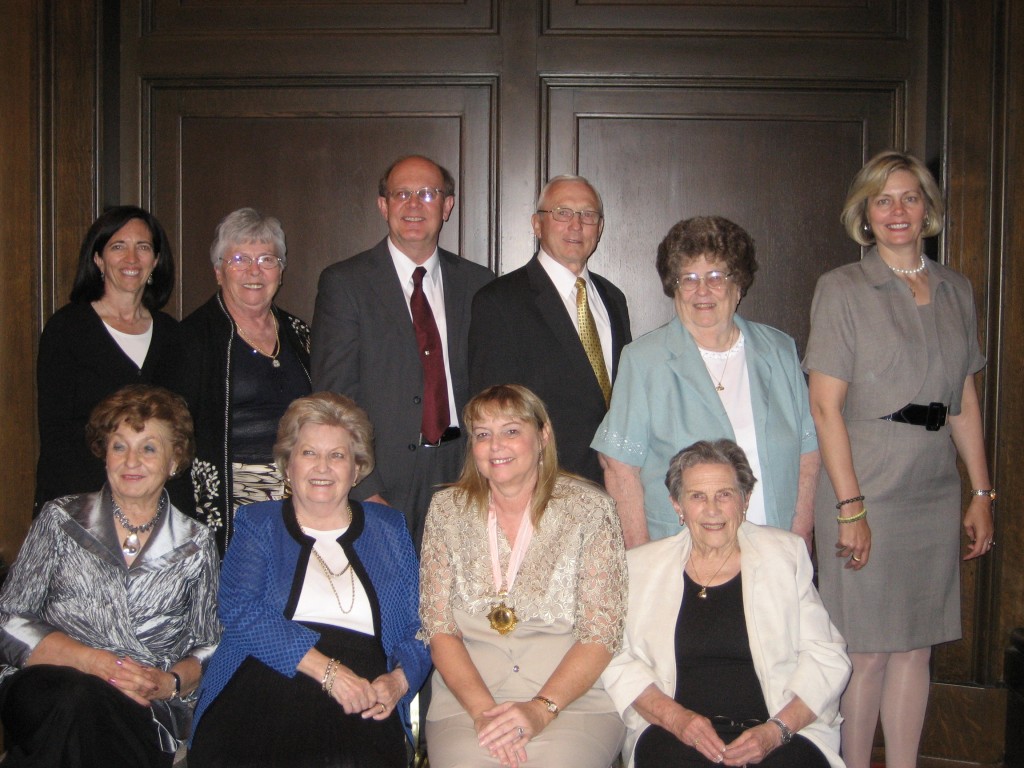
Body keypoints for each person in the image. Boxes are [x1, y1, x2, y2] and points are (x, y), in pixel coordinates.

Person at [804, 150, 995, 768]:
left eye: (910, 197)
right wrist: (850, 505)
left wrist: (981, 493)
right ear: (864, 213)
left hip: (932, 488)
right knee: (867, 652)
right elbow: (826, 408)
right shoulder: (841, 289)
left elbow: (963, 397)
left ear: (928, 209)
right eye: (882, 200)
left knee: (917, 649)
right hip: (867, 484)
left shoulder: (955, 288)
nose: (897, 211)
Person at [189, 392, 431, 768]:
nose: (322, 467)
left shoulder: (389, 528)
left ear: (356, 470)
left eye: (337, 455)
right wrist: (329, 672)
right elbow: (240, 610)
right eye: (308, 453)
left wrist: (398, 682)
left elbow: (421, 626)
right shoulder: (258, 522)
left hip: (364, 692)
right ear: (287, 466)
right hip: (265, 675)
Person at [0, 384, 220, 767]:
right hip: (48, 685)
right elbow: (8, 619)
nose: (131, 460)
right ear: (105, 455)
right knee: (78, 697)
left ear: (174, 461)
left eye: (149, 448)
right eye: (120, 446)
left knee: (91, 717)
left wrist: (169, 683)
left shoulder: (197, 543)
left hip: (142, 703)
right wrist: (93, 662)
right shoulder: (60, 520)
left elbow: (210, 644)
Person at [602, 439, 850, 768]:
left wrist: (776, 731)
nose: (713, 509)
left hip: (775, 731)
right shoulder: (641, 567)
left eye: (725, 494)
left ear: (745, 500)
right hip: (677, 734)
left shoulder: (784, 556)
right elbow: (615, 659)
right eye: (697, 496)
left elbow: (828, 657)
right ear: (677, 505)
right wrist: (677, 720)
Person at [419, 384, 628, 768]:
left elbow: (601, 633)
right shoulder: (446, 510)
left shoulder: (591, 509)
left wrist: (540, 710)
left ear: (543, 436)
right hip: (467, 706)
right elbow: (439, 629)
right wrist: (485, 712)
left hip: (571, 704)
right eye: (483, 434)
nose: (496, 445)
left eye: (511, 431)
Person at [593, 216, 820, 548]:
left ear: (738, 285)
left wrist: (799, 541)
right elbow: (619, 467)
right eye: (689, 278)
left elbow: (807, 452)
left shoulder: (779, 350)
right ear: (674, 287)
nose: (702, 290)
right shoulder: (644, 360)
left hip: (774, 547)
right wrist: (641, 559)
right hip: (680, 556)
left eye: (716, 276)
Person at [312, 154, 494, 550]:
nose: (414, 205)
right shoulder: (345, 284)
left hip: (462, 471)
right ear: (383, 206)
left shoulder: (479, 284)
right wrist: (364, 486)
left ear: (447, 206)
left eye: (428, 194)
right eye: (402, 194)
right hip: (381, 474)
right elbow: (333, 397)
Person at [468, 174, 631, 483]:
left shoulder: (613, 298)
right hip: (543, 486)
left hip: (614, 484)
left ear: (600, 227)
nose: (576, 225)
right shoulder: (499, 301)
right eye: (562, 212)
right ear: (537, 224)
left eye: (588, 215)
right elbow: (491, 412)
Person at [34, 205, 184, 514]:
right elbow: (56, 435)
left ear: (155, 261)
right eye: (118, 246)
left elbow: (179, 432)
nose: (131, 259)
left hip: (153, 510)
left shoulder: (173, 336)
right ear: (98, 259)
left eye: (142, 247)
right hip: (82, 508)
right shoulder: (67, 328)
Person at [180, 207, 312, 555]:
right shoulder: (192, 339)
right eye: (239, 258)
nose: (255, 271)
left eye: (267, 259)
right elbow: (174, 433)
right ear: (218, 272)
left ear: (281, 272)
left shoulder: (300, 334)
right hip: (226, 500)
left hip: (302, 491)